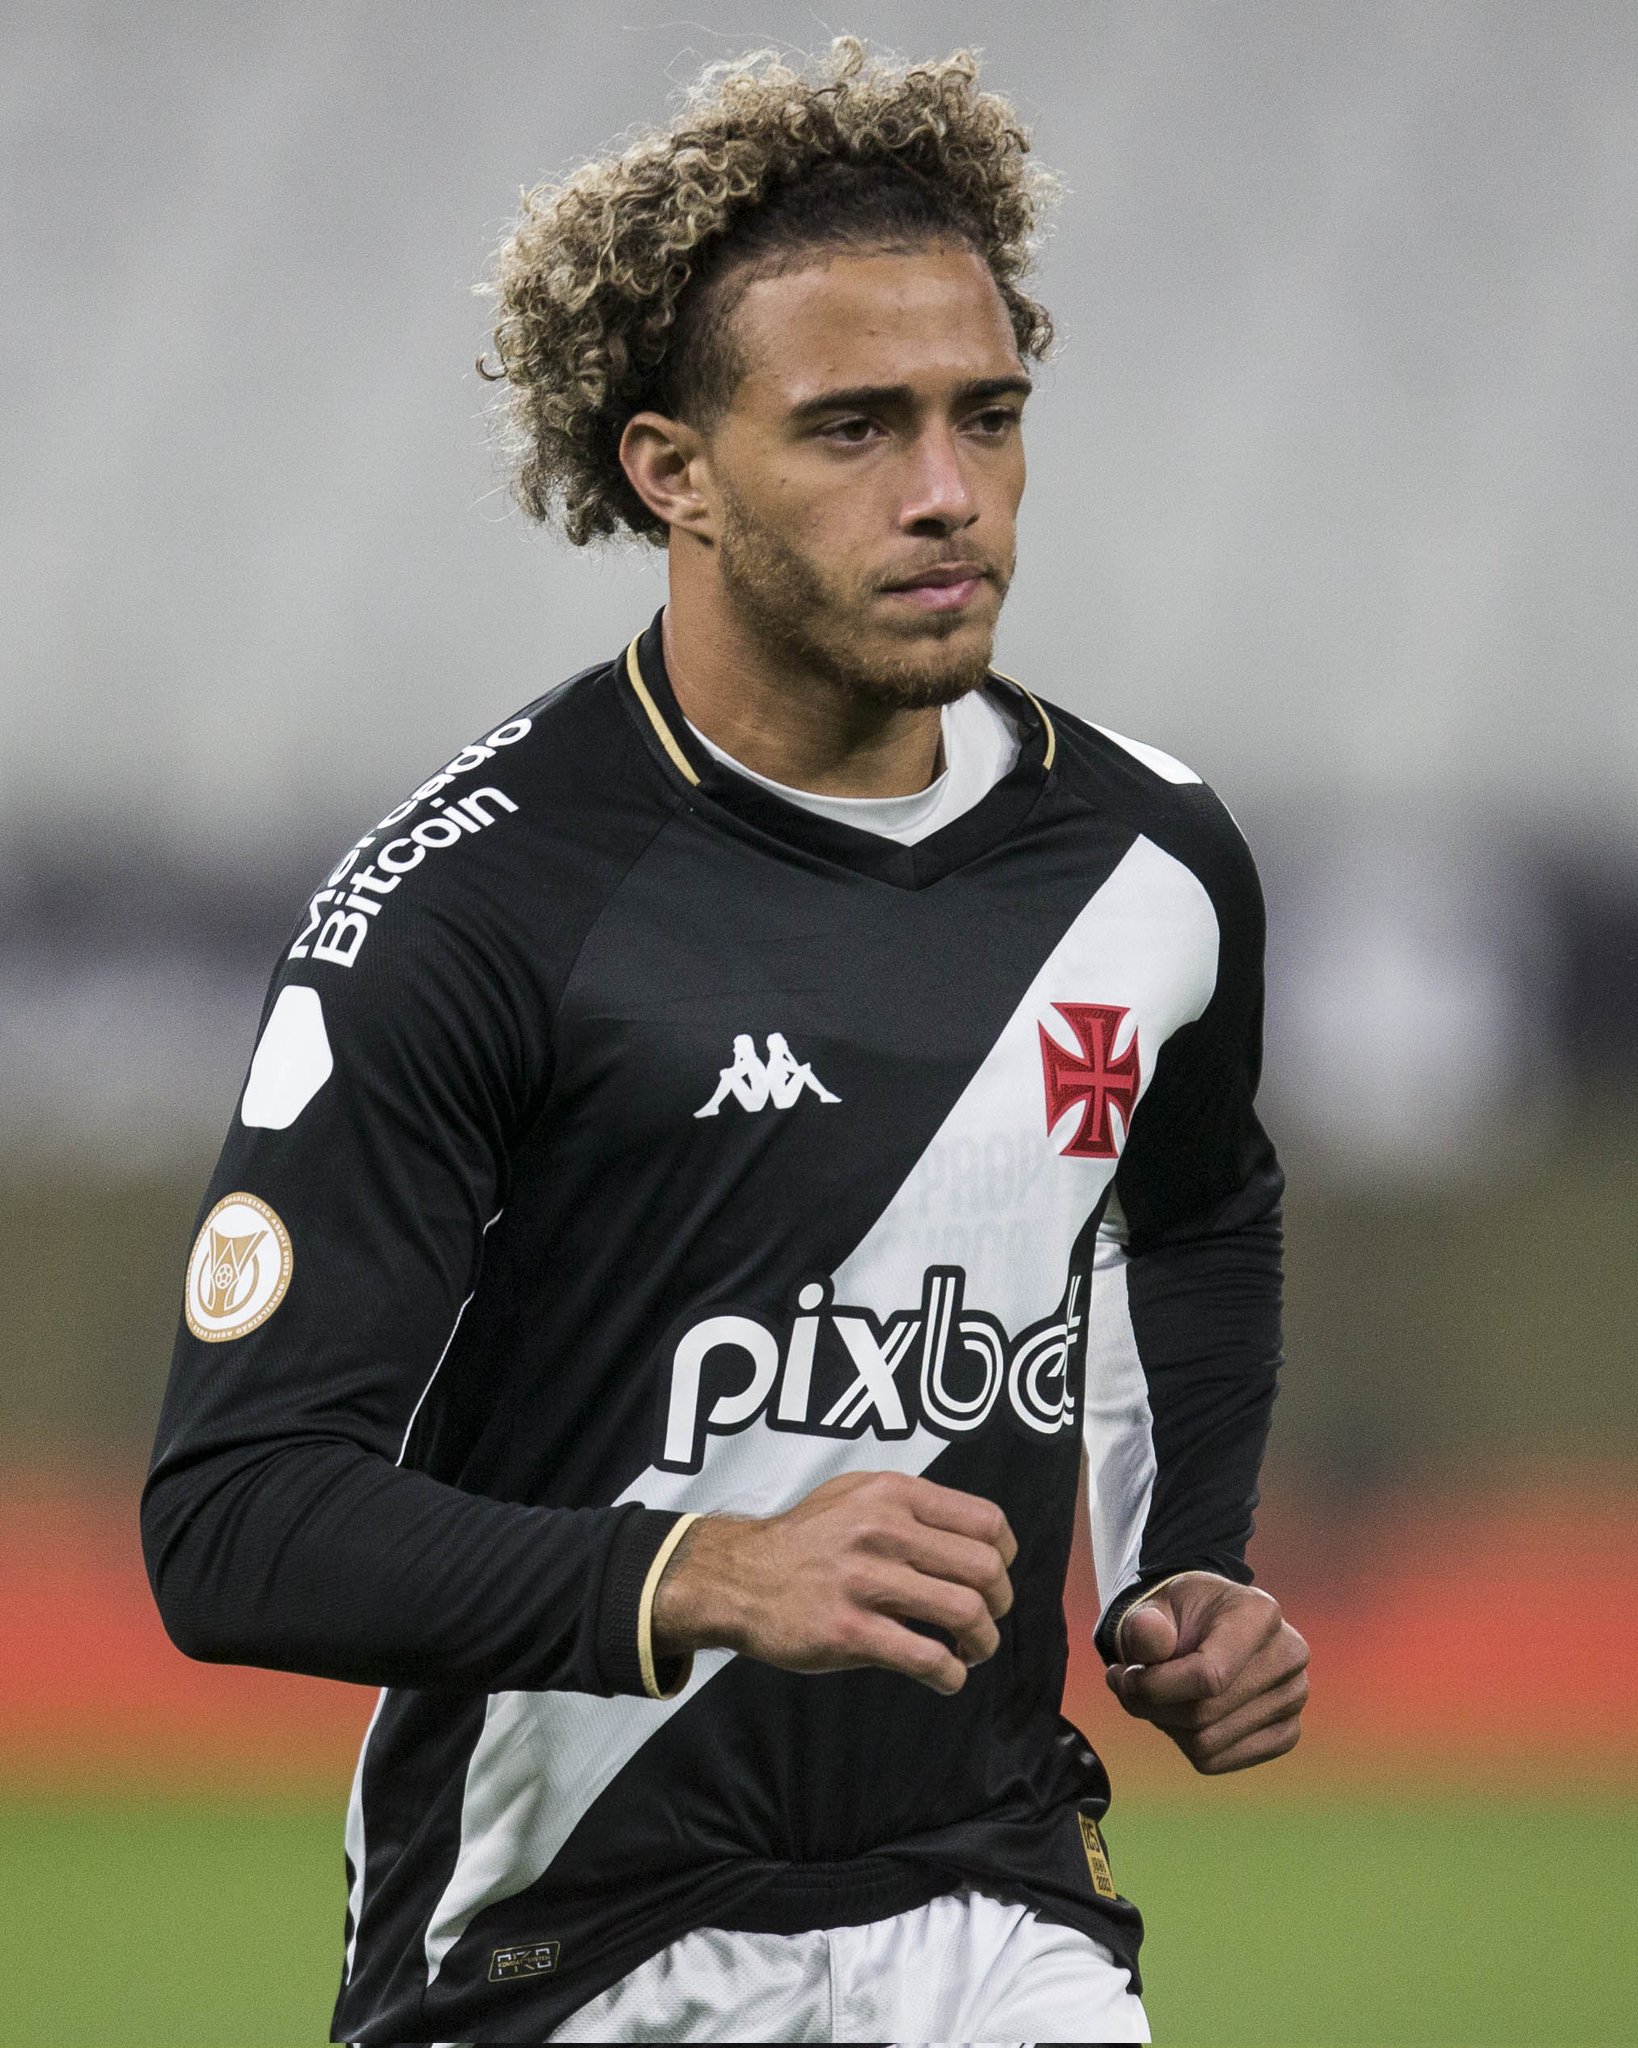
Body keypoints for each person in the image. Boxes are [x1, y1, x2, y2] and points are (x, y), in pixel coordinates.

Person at [143, 37, 1309, 2046]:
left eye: (986, 415)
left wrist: (1176, 1564)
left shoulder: (1153, 859)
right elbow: (234, 1521)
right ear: (668, 469)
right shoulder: (472, 906)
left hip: (998, 1903)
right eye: (852, 427)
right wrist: (698, 1573)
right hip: (566, 1948)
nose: (945, 493)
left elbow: (1199, 1212)